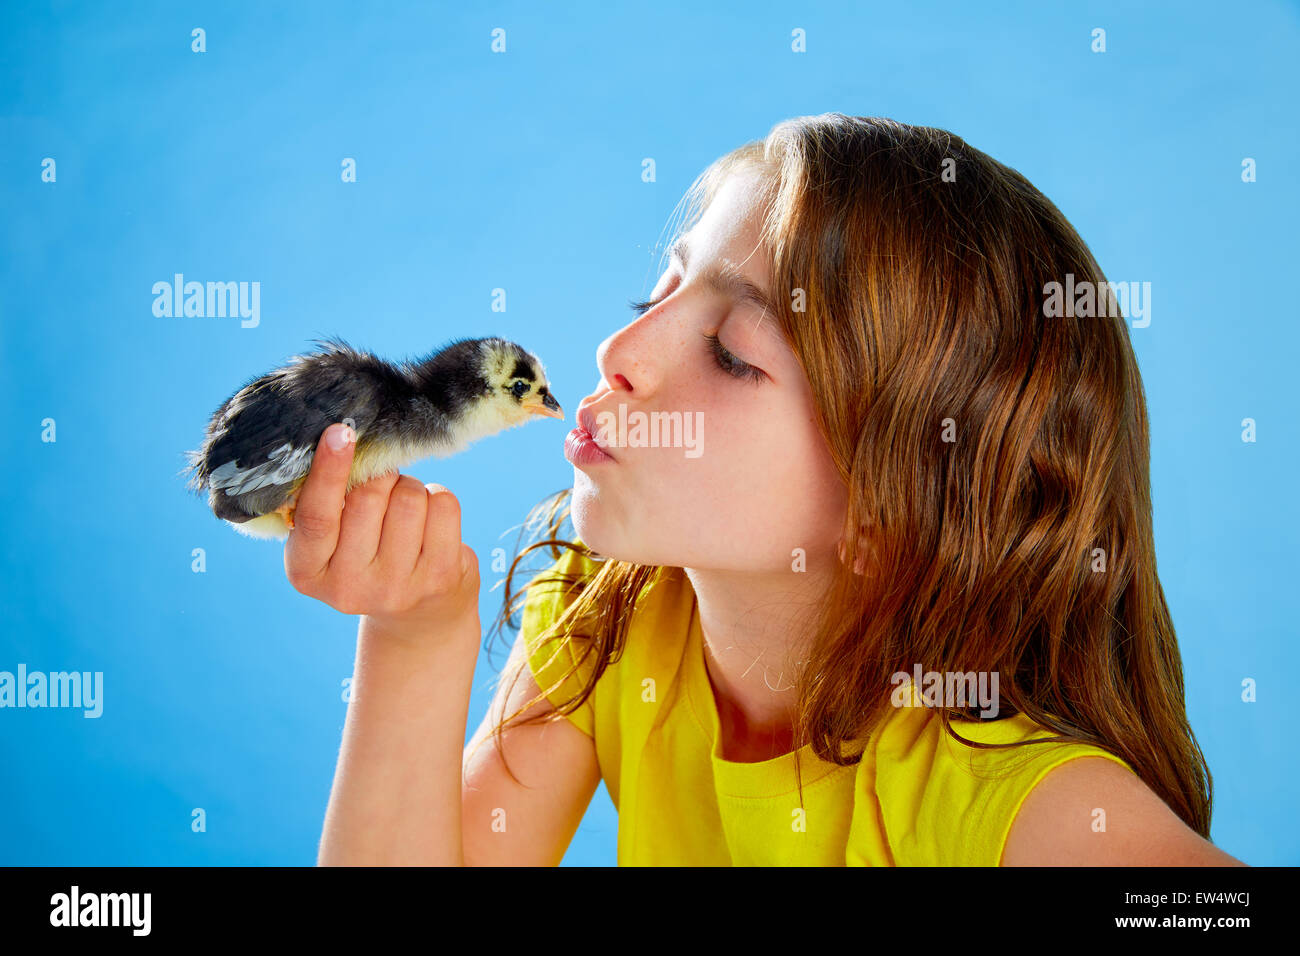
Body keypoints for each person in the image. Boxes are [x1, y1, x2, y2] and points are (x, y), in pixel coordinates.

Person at [292, 114, 1245, 866]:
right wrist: (417, 637)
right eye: (657, 295)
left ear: (887, 514)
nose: (618, 354)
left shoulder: (1004, 796)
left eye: (731, 355)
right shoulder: (614, 618)